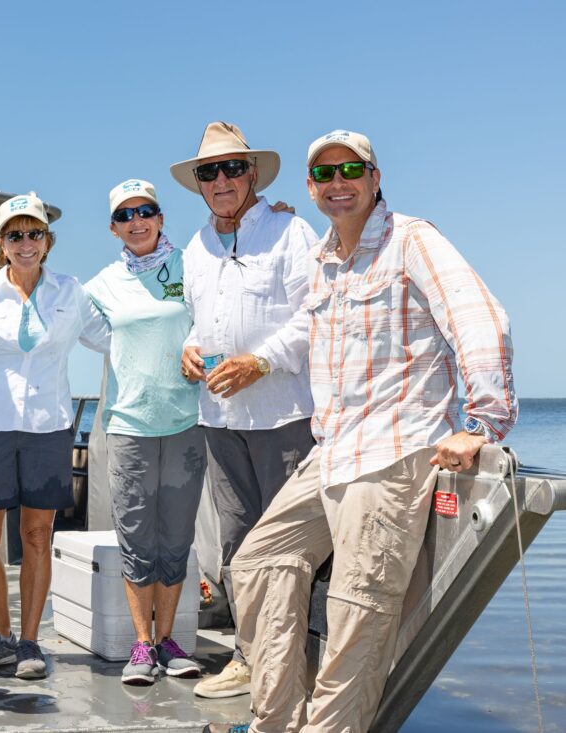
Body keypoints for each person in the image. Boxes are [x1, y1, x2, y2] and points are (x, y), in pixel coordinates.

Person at [207, 130, 518, 733]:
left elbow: (479, 317)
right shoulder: (322, 260)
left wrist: (481, 423)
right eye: (324, 174)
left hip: (393, 452)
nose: (338, 182)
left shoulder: (412, 240)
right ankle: (277, 721)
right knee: (258, 563)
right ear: (310, 187)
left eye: (351, 170)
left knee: (356, 608)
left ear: (376, 179)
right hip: (332, 451)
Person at [172, 121, 318, 699]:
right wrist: (189, 348)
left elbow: (315, 316)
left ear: (252, 174)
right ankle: (249, 657)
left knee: (293, 548)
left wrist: (260, 362)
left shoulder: (291, 230)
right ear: (199, 183)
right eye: (209, 171)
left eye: (232, 168)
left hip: (283, 419)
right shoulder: (195, 247)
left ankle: (297, 665)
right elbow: (199, 320)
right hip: (219, 420)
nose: (221, 180)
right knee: (236, 546)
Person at [0, 192, 111, 679]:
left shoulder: (71, 292)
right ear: (2, 243)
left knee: (37, 535)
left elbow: (112, 335)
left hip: (48, 429)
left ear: (48, 241)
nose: (26, 243)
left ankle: (29, 642)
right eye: (15, 235)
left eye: (35, 233)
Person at [82, 179, 205, 685]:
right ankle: (141, 643)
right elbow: (52, 301)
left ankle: (168, 640)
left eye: (146, 211)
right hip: (129, 427)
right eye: (125, 215)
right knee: (136, 538)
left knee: (175, 537)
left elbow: (238, 270)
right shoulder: (102, 284)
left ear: (160, 217)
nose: (137, 221)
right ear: (113, 228)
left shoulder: (193, 265)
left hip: (187, 423)